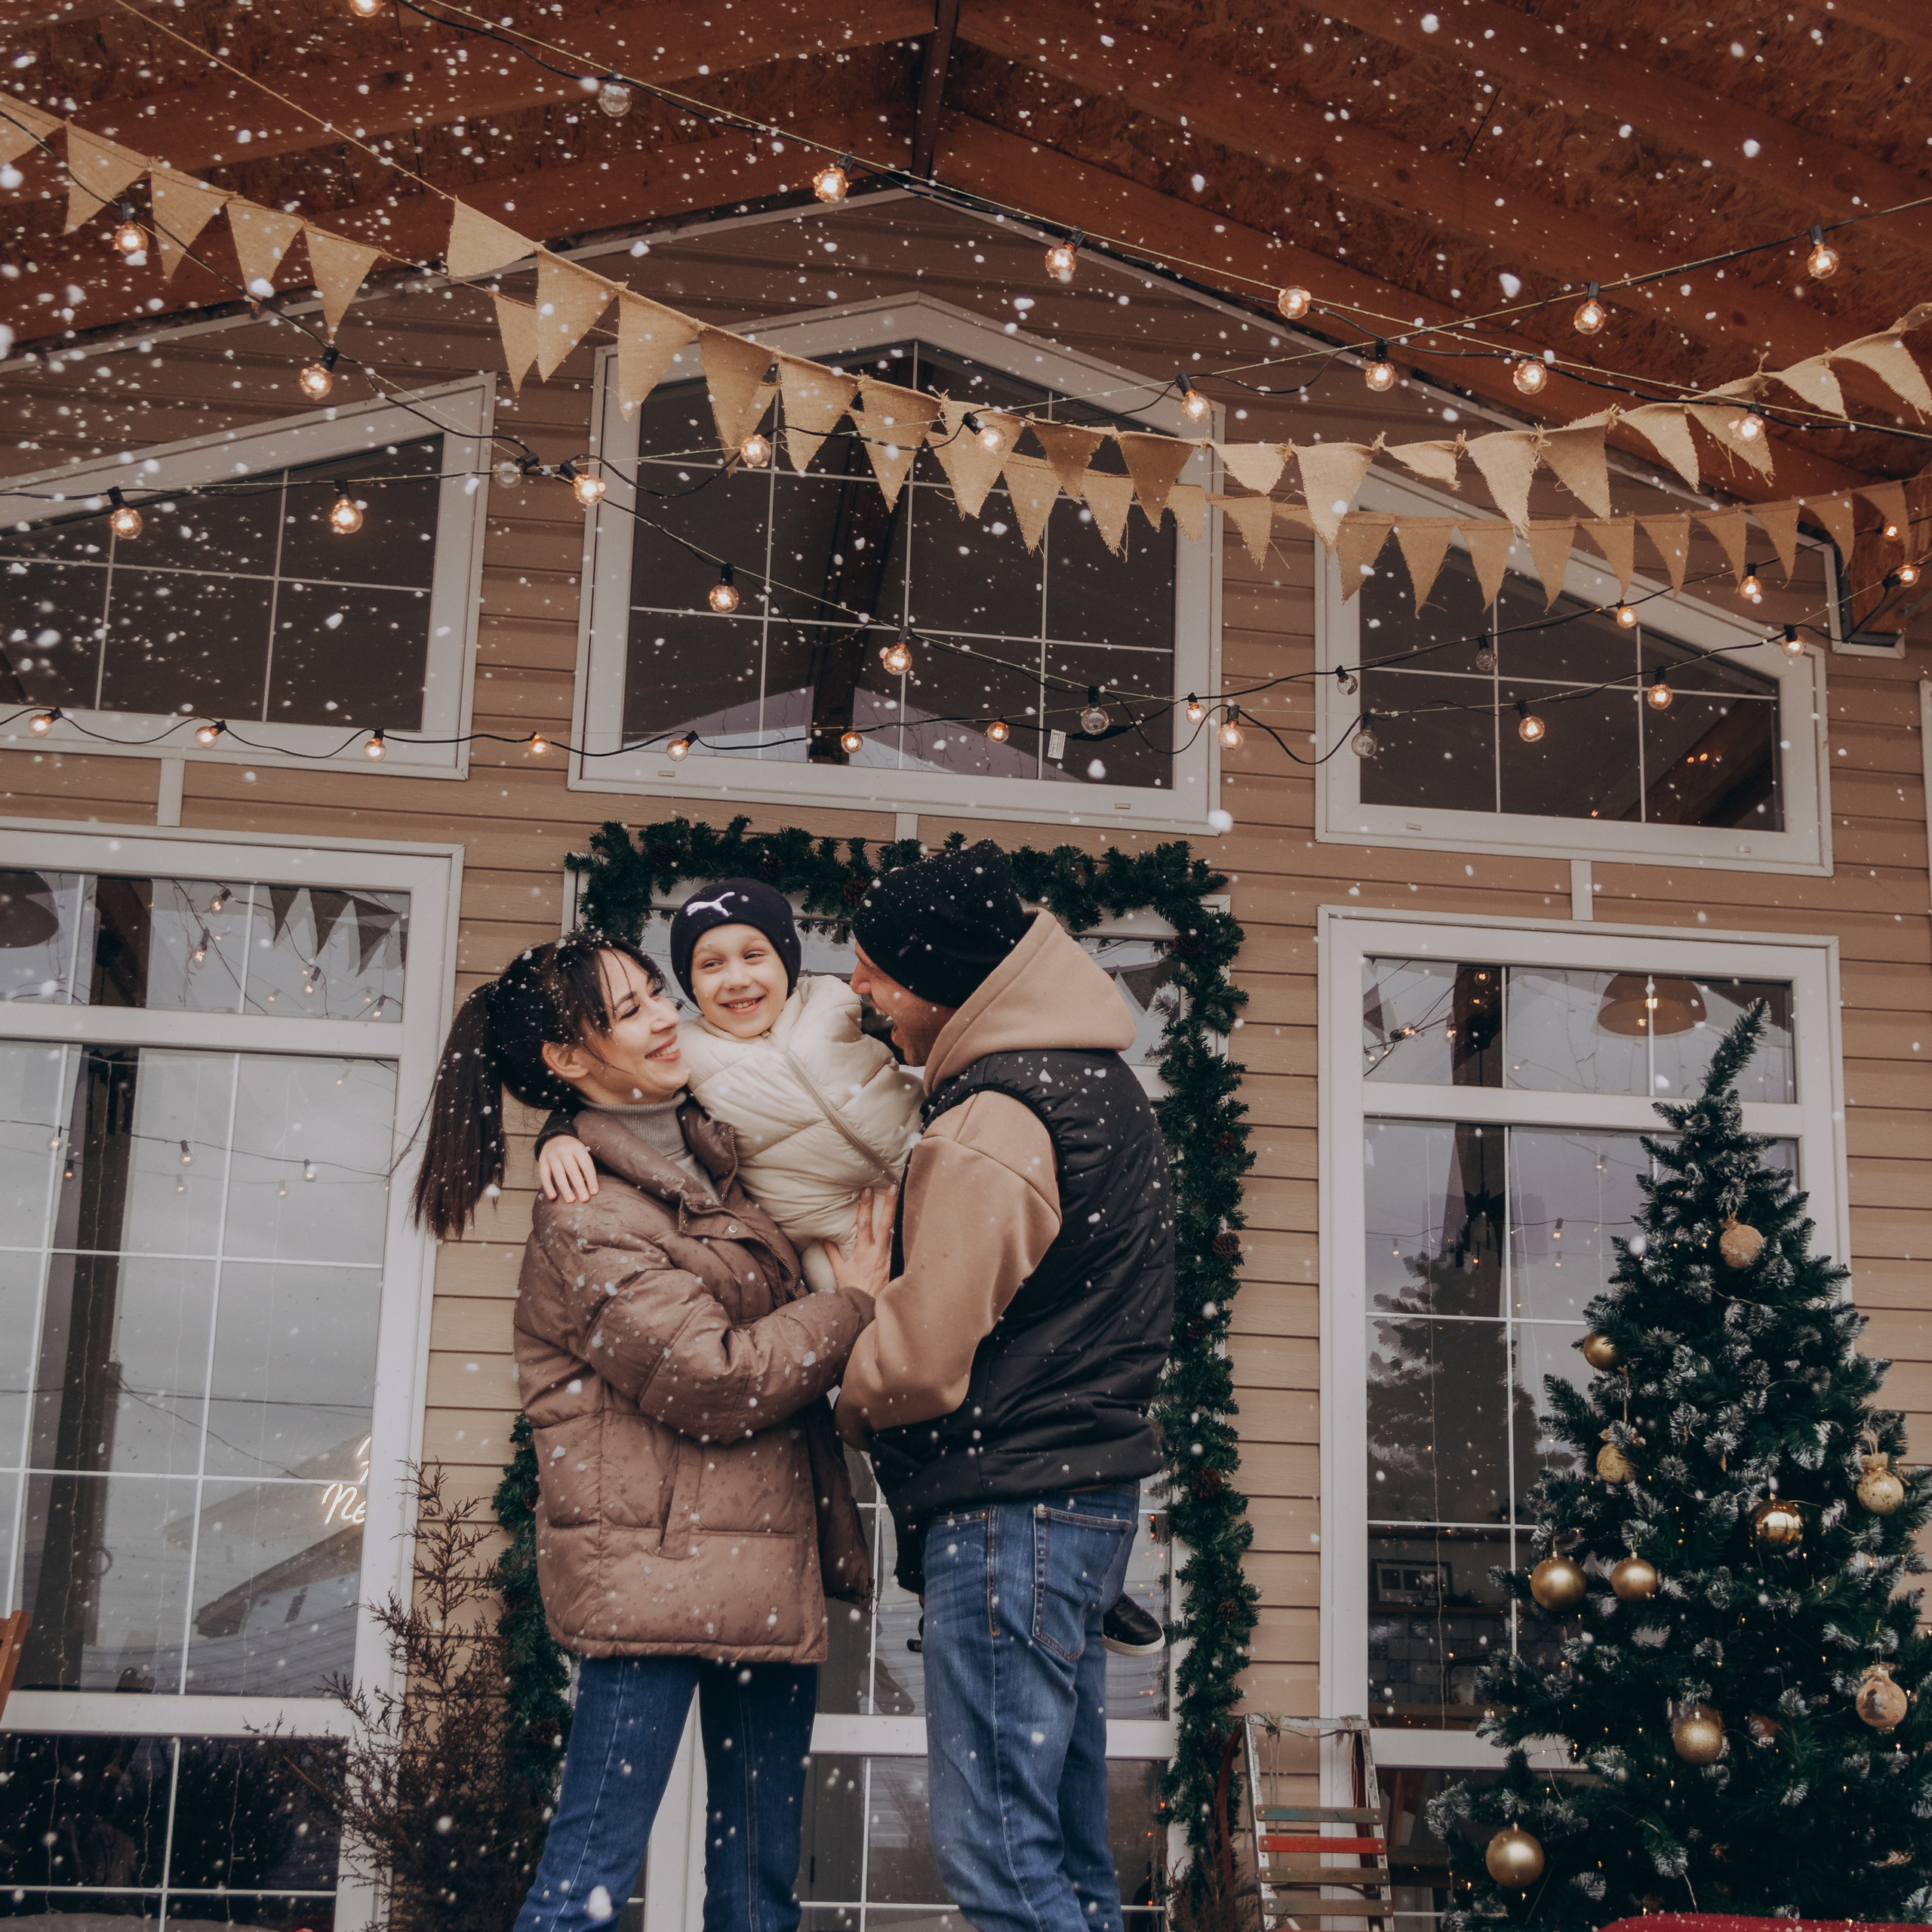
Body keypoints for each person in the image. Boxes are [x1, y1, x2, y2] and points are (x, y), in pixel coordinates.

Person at [534, 880, 1166, 1658]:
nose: (735, 979)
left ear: (790, 962)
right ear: (689, 988)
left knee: (1006, 1358)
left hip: (926, 1192)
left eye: (753, 955)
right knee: (898, 1394)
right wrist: (559, 1134)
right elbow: (625, 1101)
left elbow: (939, 1009)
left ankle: (1093, 1584)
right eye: (708, 966)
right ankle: (942, 1564)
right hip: (832, 1244)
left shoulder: (834, 1004)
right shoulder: (692, 1059)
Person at [411, 933, 890, 1932]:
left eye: (655, 995)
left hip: (763, 1564)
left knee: (758, 1886)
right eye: (626, 1013)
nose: (667, 1016)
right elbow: (712, 1380)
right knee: (589, 1871)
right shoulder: (585, 1219)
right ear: (565, 1060)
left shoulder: (721, 1152)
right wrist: (856, 1309)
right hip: (650, 1578)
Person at [835, 840, 1177, 1932]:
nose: (856, 992)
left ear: (934, 977)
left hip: (1011, 1505)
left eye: (873, 969)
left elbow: (925, 1358)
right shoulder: (1096, 1089)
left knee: (1001, 1859)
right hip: (1076, 1504)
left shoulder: (997, 1118)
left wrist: (846, 1360)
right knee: (1068, 1860)